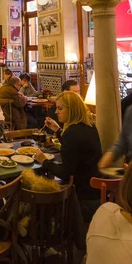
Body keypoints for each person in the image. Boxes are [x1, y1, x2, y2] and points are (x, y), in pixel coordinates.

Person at [34, 91, 102, 221]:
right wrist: (58, 131)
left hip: (81, 198)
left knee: (38, 195)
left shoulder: (71, 133)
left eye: (60, 108)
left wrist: (44, 161)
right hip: (95, 192)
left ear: (72, 110)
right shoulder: (89, 125)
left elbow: (64, 173)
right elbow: (76, 149)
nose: (56, 112)